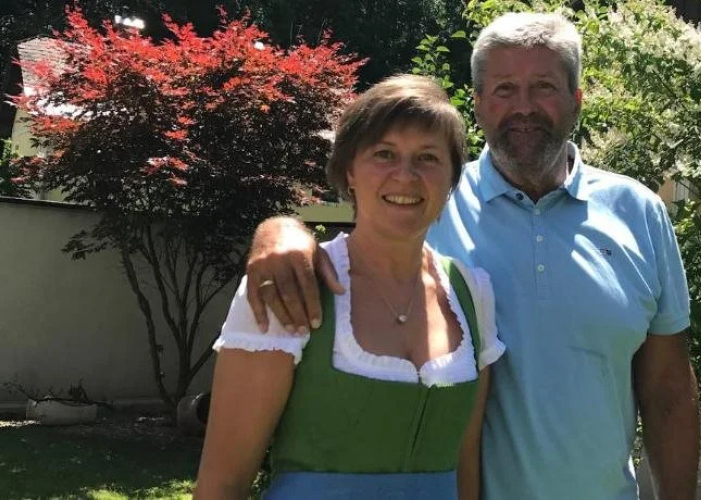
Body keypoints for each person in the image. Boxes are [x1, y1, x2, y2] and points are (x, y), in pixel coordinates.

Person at [244, 12, 701, 500]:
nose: (523, 107)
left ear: (577, 99)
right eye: (504, 89)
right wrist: (280, 231)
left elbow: (668, 391)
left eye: (544, 86)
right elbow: (358, 246)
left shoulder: (638, 212)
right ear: (478, 103)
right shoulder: (431, 198)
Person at [194, 74, 505, 499]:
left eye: (428, 158)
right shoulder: (290, 283)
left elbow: (466, 466)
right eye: (384, 154)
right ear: (349, 171)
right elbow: (222, 485)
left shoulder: (472, 294)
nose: (406, 175)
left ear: (452, 178)